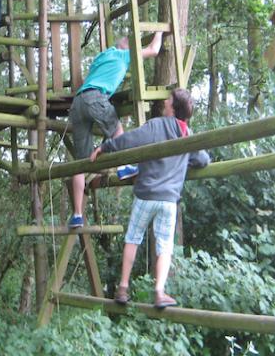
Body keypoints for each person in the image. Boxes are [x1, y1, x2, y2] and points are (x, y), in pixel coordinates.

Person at [89, 88, 210, 309]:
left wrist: (105, 147)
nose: (165, 101)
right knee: (165, 245)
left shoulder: (156, 125)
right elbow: (203, 160)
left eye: (169, 99)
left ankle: (123, 287)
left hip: (146, 195)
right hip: (168, 200)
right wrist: (184, 161)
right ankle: (159, 292)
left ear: (172, 107)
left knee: (133, 238)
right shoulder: (187, 134)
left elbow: (130, 140)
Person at [68, 32, 163, 228]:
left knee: (79, 163)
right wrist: (160, 32)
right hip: (95, 97)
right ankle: (123, 167)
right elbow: (154, 50)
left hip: (77, 103)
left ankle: (77, 215)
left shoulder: (102, 56)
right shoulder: (123, 55)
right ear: (127, 46)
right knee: (118, 131)